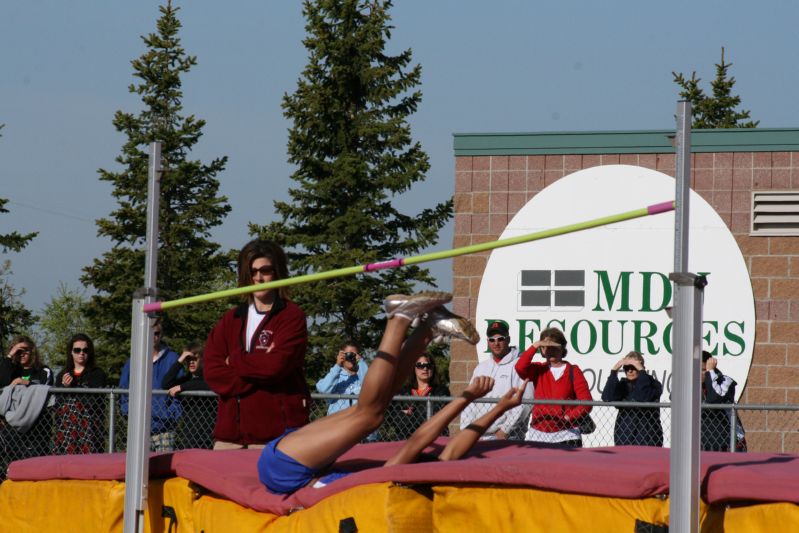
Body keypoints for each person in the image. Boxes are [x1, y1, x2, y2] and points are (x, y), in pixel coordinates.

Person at [257, 291, 481, 494]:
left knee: (371, 414)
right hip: (284, 463)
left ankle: (403, 321)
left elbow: (420, 442)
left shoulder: (387, 478)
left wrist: (471, 397)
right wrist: (483, 402)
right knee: (377, 406)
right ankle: (425, 328)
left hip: (288, 470)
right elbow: (424, 445)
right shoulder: (389, 477)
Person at [204, 239, 310, 450]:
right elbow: (212, 371)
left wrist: (234, 360)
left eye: (265, 271)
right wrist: (257, 366)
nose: (259, 278)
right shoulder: (231, 319)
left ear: (277, 273)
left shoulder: (291, 316)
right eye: (252, 272)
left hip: (275, 438)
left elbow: (276, 366)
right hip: (229, 437)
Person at [515, 327, 592, 447]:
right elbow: (520, 367)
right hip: (539, 433)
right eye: (545, 346)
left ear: (562, 348)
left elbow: (586, 402)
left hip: (567, 434)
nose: (549, 350)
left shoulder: (573, 371)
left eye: (553, 346)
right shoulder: (538, 370)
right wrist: (536, 345)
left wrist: (568, 417)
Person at [459, 322, 533, 440]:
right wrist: (466, 428)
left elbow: (526, 401)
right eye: (492, 340)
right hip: (479, 436)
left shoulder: (520, 365)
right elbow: (470, 399)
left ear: (508, 340)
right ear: (488, 342)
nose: (496, 343)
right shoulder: (481, 368)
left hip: (507, 438)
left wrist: (505, 430)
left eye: (500, 339)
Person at [119, 318, 183, 452]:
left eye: (157, 333)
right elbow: (124, 392)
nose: (153, 337)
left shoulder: (172, 359)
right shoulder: (134, 360)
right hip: (138, 431)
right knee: (137, 471)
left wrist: (170, 415)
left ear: (161, 335)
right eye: (150, 333)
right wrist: (130, 413)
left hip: (165, 429)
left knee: (164, 470)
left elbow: (180, 390)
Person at [53, 333, 108, 454]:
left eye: (85, 350)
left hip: (89, 429)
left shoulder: (97, 374)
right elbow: (58, 404)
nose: (81, 353)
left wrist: (72, 387)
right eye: (77, 350)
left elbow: (93, 402)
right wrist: (63, 387)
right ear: (71, 352)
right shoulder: (62, 375)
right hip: (67, 430)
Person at [601, 351, 663, 447]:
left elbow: (641, 397)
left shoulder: (653, 384)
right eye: (626, 368)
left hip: (648, 438)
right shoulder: (623, 385)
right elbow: (607, 397)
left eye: (633, 367)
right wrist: (614, 370)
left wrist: (642, 372)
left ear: (641, 367)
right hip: (624, 437)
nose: (629, 371)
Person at [161, 341, 214, 449]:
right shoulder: (186, 379)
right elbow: (165, 383)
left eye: (195, 359)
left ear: (202, 360)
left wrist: (182, 387)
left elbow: (206, 384)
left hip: (207, 435)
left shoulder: (209, 377)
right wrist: (180, 360)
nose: (191, 362)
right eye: (188, 359)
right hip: (189, 435)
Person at [390, 353, 451, 440]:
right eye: (420, 365)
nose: (425, 368)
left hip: (434, 439)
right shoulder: (403, 392)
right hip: (405, 440)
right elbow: (396, 418)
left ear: (433, 368)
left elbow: (436, 416)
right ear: (413, 368)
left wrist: (409, 413)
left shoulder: (441, 391)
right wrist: (423, 411)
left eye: (428, 365)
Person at [701, 351, 745, 452]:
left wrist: (710, 373)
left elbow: (713, 398)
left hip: (729, 443)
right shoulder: (691, 384)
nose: (700, 374)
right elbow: (674, 396)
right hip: (702, 444)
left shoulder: (725, 381)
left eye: (704, 370)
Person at [315, 341, 369, 416]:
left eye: (354, 355)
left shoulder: (361, 377)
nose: (351, 358)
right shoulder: (335, 377)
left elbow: (371, 387)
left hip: (358, 423)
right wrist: (337, 366)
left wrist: (361, 362)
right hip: (337, 424)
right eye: (348, 354)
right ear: (342, 356)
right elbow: (324, 389)